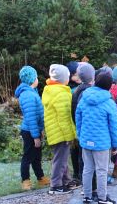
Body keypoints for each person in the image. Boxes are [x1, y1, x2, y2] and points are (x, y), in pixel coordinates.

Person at [76, 71, 117, 204]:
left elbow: (78, 117)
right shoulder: (109, 102)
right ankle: (102, 198)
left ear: (95, 81)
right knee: (102, 170)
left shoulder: (84, 97)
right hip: (102, 143)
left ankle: (87, 196)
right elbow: (114, 126)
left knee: (87, 169)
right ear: (109, 86)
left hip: (86, 141)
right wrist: (115, 144)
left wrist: (80, 134)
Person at [42, 64, 78, 194]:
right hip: (61, 133)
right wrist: (71, 134)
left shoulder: (50, 90)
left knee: (61, 158)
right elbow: (64, 118)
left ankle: (67, 181)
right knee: (60, 160)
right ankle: (56, 185)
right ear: (64, 79)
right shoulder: (61, 94)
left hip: (54, 131)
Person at [16, 66, 50, 190]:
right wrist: (35, 136)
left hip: (35, 130)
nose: (37, 79)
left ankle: (40, 178)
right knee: (28, 156)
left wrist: (40, 130)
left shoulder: (31, 92)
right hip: (30, 131)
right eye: (35, 77)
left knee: (36, 156)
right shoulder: (27, 95)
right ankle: (25, 180)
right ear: (31, 79)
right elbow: (31, 117)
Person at [71, 63, 96, 190]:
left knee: (83, 158)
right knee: (89, 160)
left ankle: (84, 181)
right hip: (90, 131)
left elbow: (73, 112)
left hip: (81, 130)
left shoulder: (76, 91)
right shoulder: (90, 92)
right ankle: (90, 185)